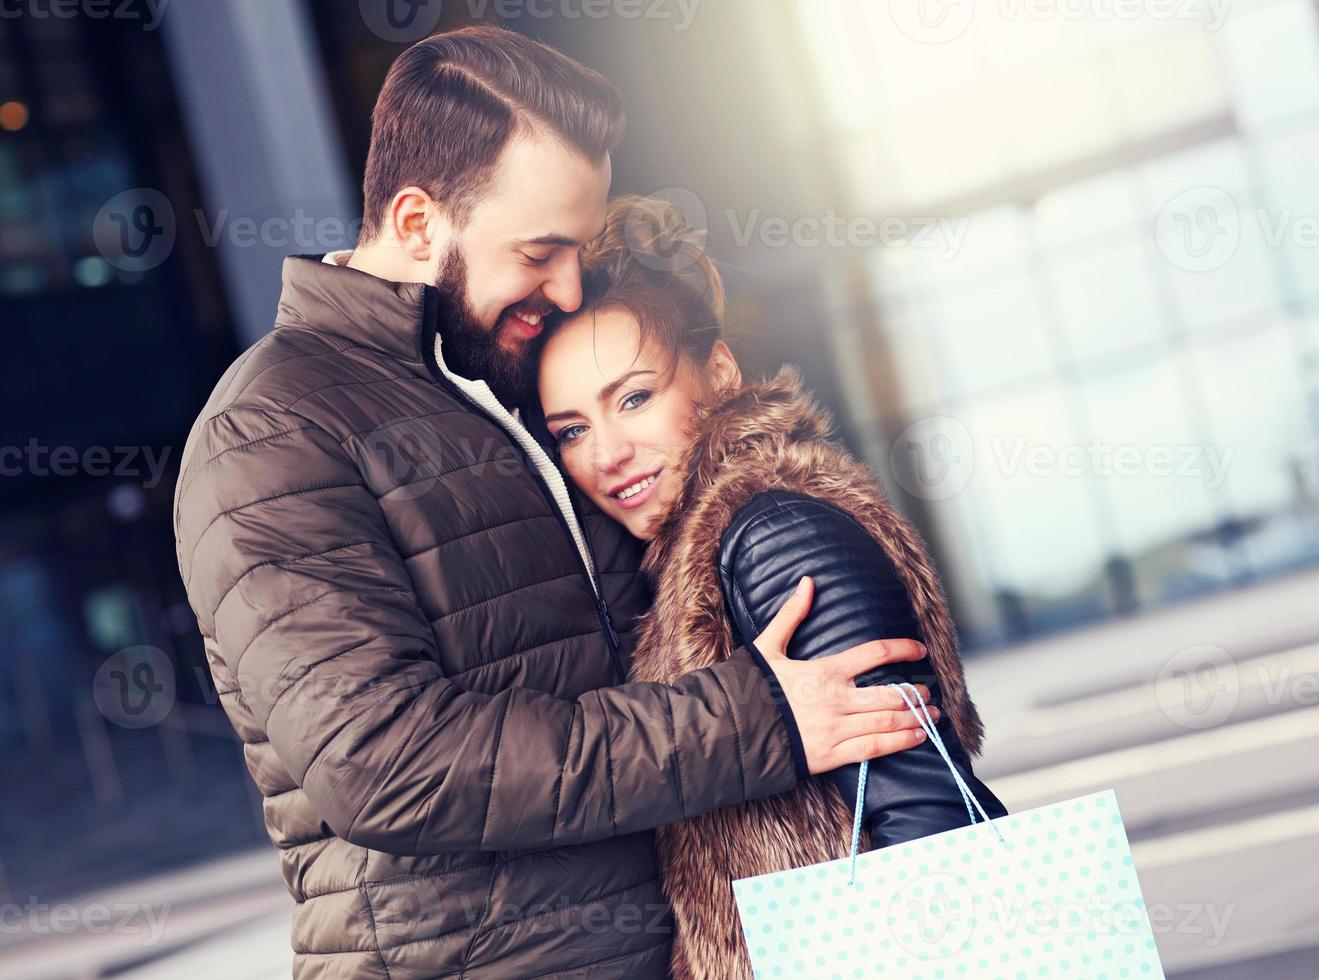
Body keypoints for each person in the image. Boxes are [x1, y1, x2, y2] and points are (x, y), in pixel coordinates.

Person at [172, 26, 939, 979]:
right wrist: (753, 721)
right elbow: (387, 764)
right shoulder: (273, 433)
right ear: (416, 224)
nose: (568, 285)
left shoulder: (512, 380)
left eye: (577, 247)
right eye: (540, 250)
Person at [533, 196, 1008, 978]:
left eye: (633, 398)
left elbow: (924, 805)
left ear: (717, 372)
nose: (607, 453)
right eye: (573, 430)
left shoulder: (771, 533)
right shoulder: (698, 552)